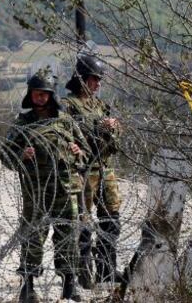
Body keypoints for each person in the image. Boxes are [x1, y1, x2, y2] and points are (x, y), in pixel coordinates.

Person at [0, 68, 89, 302]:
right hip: (35, 190)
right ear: (30, 95)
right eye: (36, 94)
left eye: (45, 94)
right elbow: (4, 155)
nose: (40, 98)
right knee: (33, 236)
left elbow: (87, 153)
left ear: (51, 95)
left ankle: (69, 286)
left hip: (65, 189)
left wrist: (78, 152)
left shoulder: (65, 121)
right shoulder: (23, 123)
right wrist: (21, 155)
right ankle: (27, 287)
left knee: (67, 236)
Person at [61, 54, 123, 287]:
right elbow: (65, 135)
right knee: (84, 224)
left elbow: (115, 142)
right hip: (84, 172)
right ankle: (84, 271)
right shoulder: (68, 106)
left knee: (112, 221)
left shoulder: (101, 106)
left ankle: (107, 271)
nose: (98, 84)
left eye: (99, 80)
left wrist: (113, 129)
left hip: (105, 169)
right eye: (94, 79)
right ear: (82, 79)